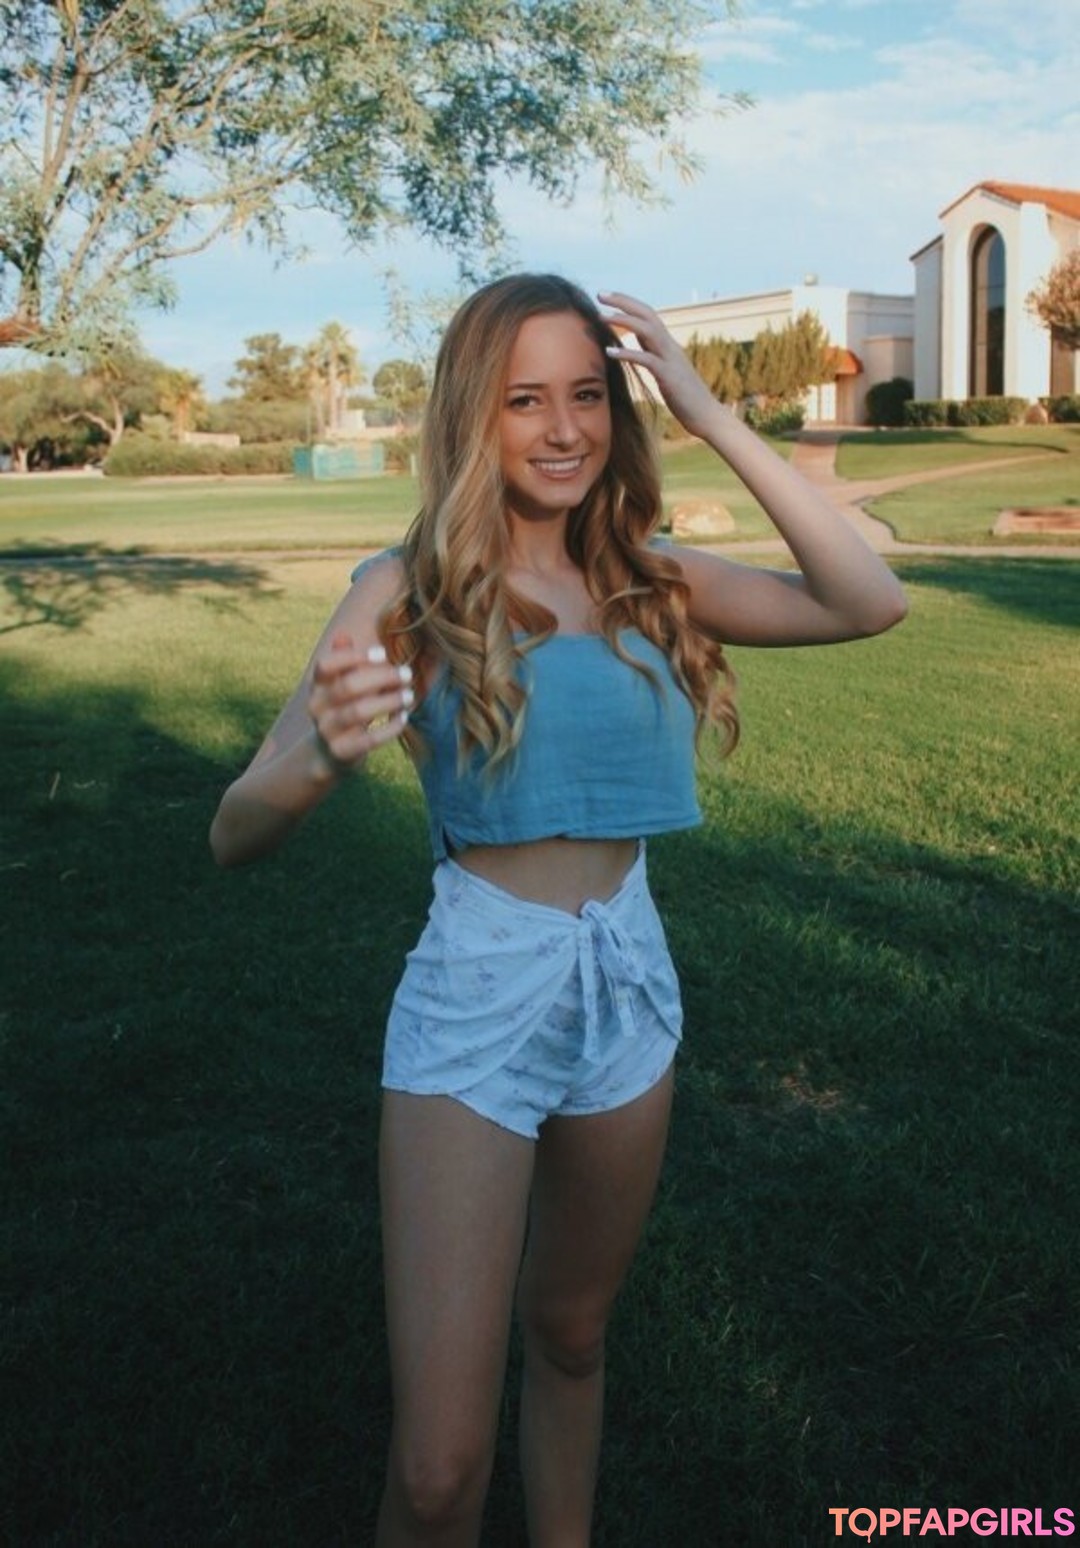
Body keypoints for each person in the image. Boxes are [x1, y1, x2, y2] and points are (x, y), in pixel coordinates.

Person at [210, 275, 907, 1546]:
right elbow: (233, 830)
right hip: (479, 995)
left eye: (588, 395)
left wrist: (709, 412)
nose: (565, 429)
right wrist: (321, 755)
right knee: (438, 1469)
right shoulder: (406, 588)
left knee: (575, 1336)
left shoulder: (652, 578)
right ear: (472, 416)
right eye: (525, 400)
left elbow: (869, 600)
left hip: (628, 984)